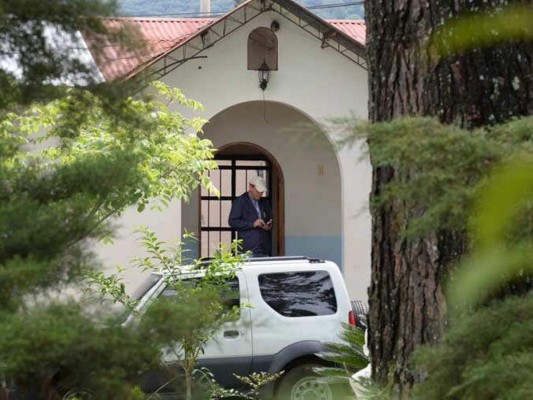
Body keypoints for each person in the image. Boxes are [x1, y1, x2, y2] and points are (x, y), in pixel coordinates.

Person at [228, 175, 273, 257]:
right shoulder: (240, 201)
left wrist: (268, 225)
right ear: (250, 187)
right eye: (258, 191)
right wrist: (252, 224)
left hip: (264, 248)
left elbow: (270, 218)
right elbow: (233, 222)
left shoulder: (264, 202)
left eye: (262, 192)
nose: (260, 194)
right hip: (248, 248)